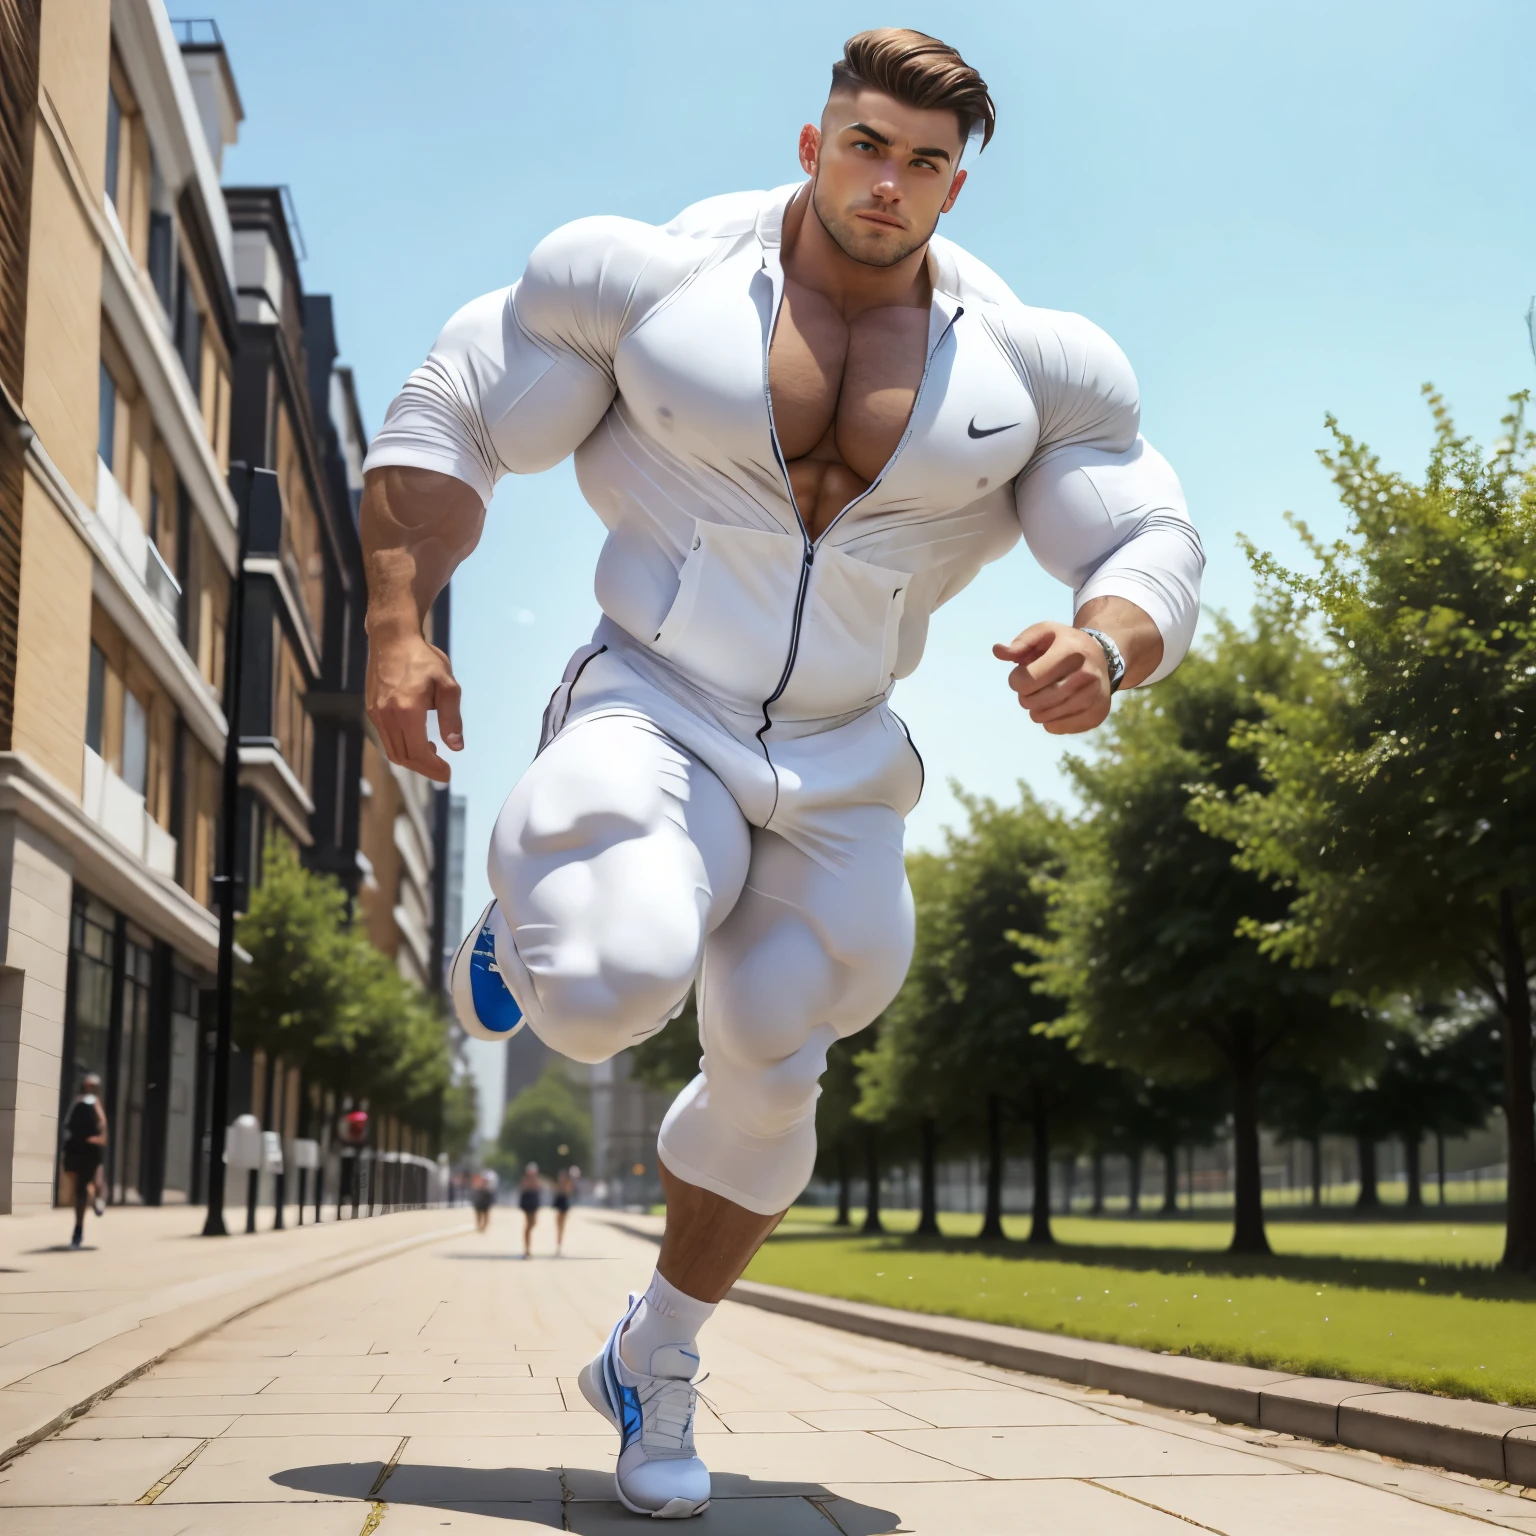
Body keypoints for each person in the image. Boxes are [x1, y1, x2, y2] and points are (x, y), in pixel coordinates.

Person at [361, 29, 1202, 1519]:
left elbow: (1147, 537)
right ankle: (539, 914)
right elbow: (457, 408)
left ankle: (653, 1356)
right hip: (654, 699)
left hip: (842, 750)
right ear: (815, 139)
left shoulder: (1031, 363)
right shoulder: (645, 279)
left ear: (957, 186)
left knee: (780, 1048)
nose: (891, 182)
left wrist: (1111, 645)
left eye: (928, 163)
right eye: (867, 143)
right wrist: (397, 624)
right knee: (610, 986)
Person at [61, 1074, 107, 1248]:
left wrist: (100, 1139)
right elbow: (68, 1125)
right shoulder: (78, 1102)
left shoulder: (96, 1104)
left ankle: (94, 1203)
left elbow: (103, 1125)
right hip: (76, 1148)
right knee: (79, 1190)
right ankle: (79, 1227)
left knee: (93, 1182)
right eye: (87, 1086)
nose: (90, 1089)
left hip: (90, 1150)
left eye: (93, 1086)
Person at [517, 1161, 542, 1257]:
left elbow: (539, 1188)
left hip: (534, 1202)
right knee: (528, 1224)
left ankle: (527, 1247)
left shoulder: (537, 1180)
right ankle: (527, 1249)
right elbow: (523, 1188)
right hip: (527, 1202)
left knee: (533, 1223)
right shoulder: (524, 1180)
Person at [553, 1165, 578, 1256]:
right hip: (559, 1205)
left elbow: (569, 1192)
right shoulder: (558, 1185)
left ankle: (559, 1245)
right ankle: (558, 1243)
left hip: (564, 1206)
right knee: (558, 1225)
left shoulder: (568, 1184)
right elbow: (555, 1192)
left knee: (561, 1226)